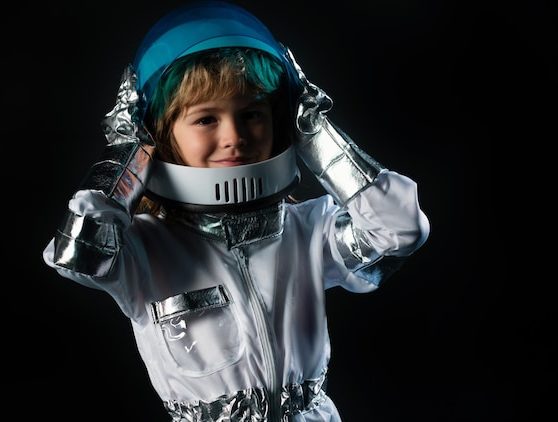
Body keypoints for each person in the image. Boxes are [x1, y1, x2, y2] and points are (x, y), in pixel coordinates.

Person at [42, 1, 430, 420]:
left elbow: (399, 228)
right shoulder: (144, 251)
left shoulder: (305, 231)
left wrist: (317, 136)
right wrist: (126, 154)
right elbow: (78, 254)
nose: (234, 137)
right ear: (159, 135)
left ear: (280, 121)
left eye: (252, 114)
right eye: (206, 119)